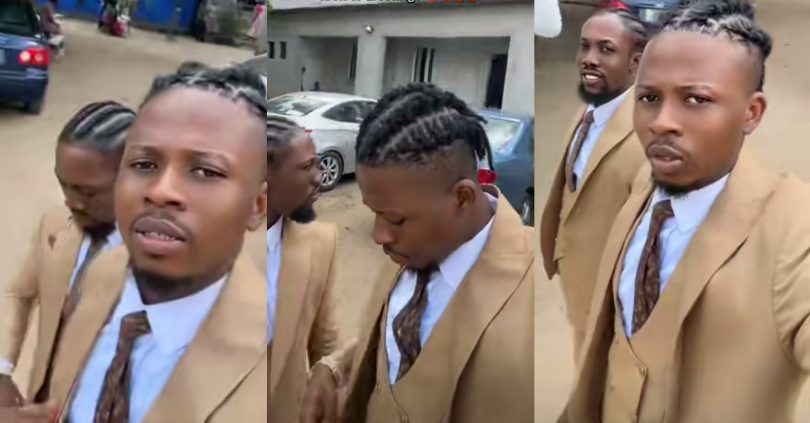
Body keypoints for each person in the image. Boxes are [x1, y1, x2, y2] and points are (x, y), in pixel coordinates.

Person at [561, 2, 810, 422]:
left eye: (696, 99)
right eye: (649, 98)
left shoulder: (794, 228)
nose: (661, 122)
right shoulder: (646, 184)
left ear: (752, 113)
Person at [10, 63, 268, 422]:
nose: (161, 191)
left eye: (205, 171)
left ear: (257, 206)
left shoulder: (269, 372)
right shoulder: (105, 273)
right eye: (145, 164)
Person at [300, 83, 535, 423]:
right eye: (375, 213)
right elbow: (394, 338)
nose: (379, 236)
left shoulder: (537, 290)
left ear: (462, 198)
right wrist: (334, 368)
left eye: (396, 219)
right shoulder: (412, 249)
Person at [0, 101, 135, 407]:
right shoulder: (55, 225)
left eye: (88, 192)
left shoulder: (162, 260)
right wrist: (3, 370)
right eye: (65, 185)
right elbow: (19, 295)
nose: (72, 203)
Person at [539, 7, 648, 360]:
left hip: (613, 296)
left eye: (606, 49)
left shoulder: (648, 134)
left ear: (635, 62)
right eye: (584, 46)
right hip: (577, 275)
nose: (589, 58)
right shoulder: (586, 113)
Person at [266, 116, 342, 422]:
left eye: (317, 163)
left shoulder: (321, 241)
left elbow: (326, 340)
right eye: (306, 166)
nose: (319, 177)